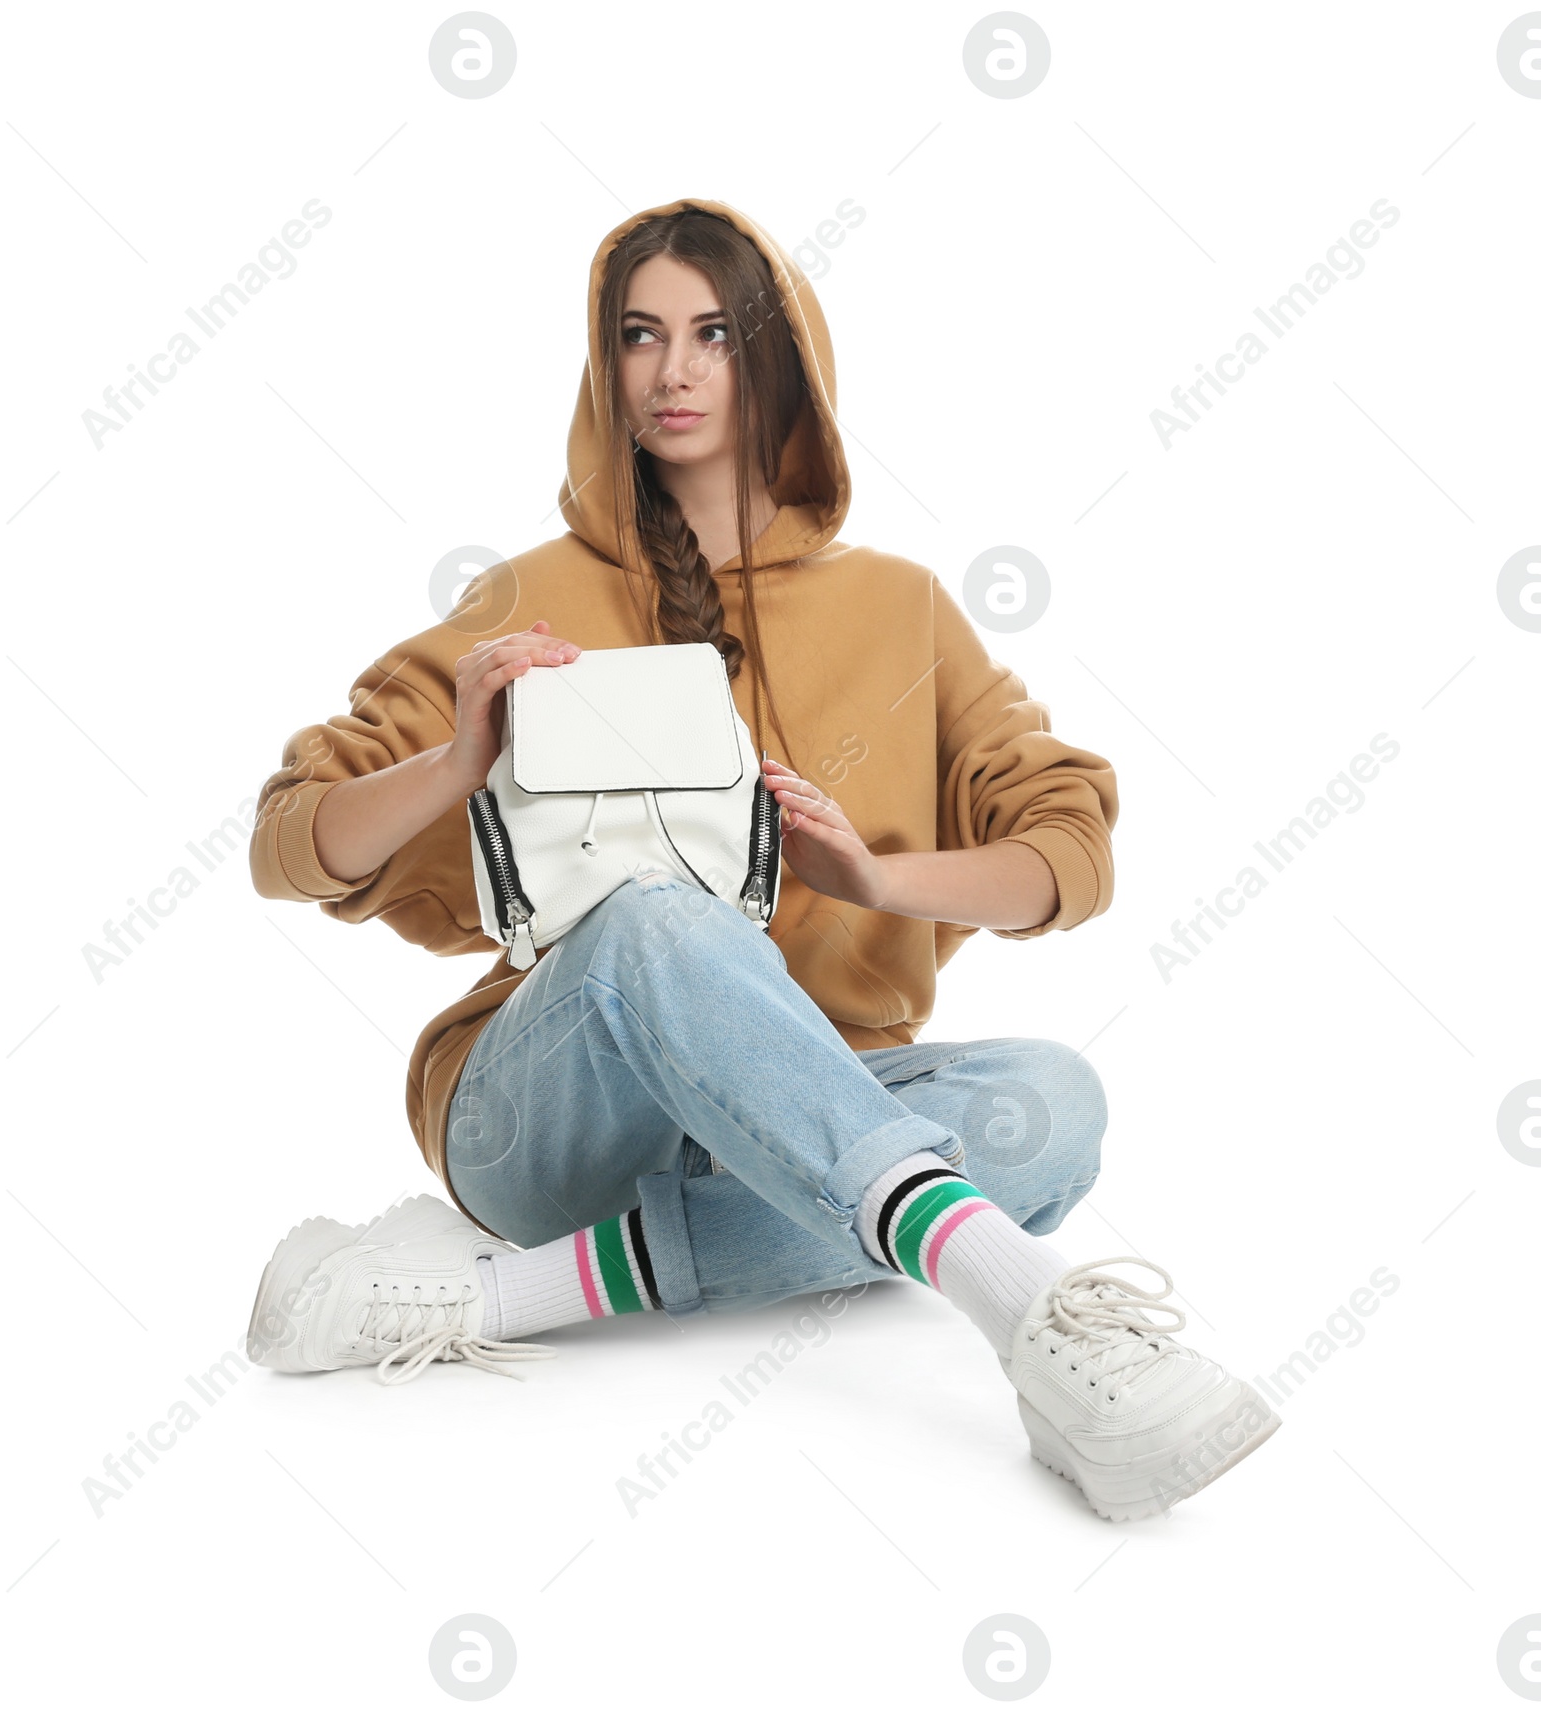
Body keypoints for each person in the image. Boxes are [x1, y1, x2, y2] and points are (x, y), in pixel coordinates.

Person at [244, 196, 1278, 1521]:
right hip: (545, 1117)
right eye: (638, 334)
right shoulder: (521, 598)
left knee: (1054, 1100)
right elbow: (288, 843)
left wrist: (878, 880)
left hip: (802, 1119)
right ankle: (1025, 1313)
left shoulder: (901, 607)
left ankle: (491, 1294)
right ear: (602, 362)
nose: (673, 373)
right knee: (663, 919)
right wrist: (457, 758)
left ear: (774, 359)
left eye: (714, 335)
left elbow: (1068, 848)